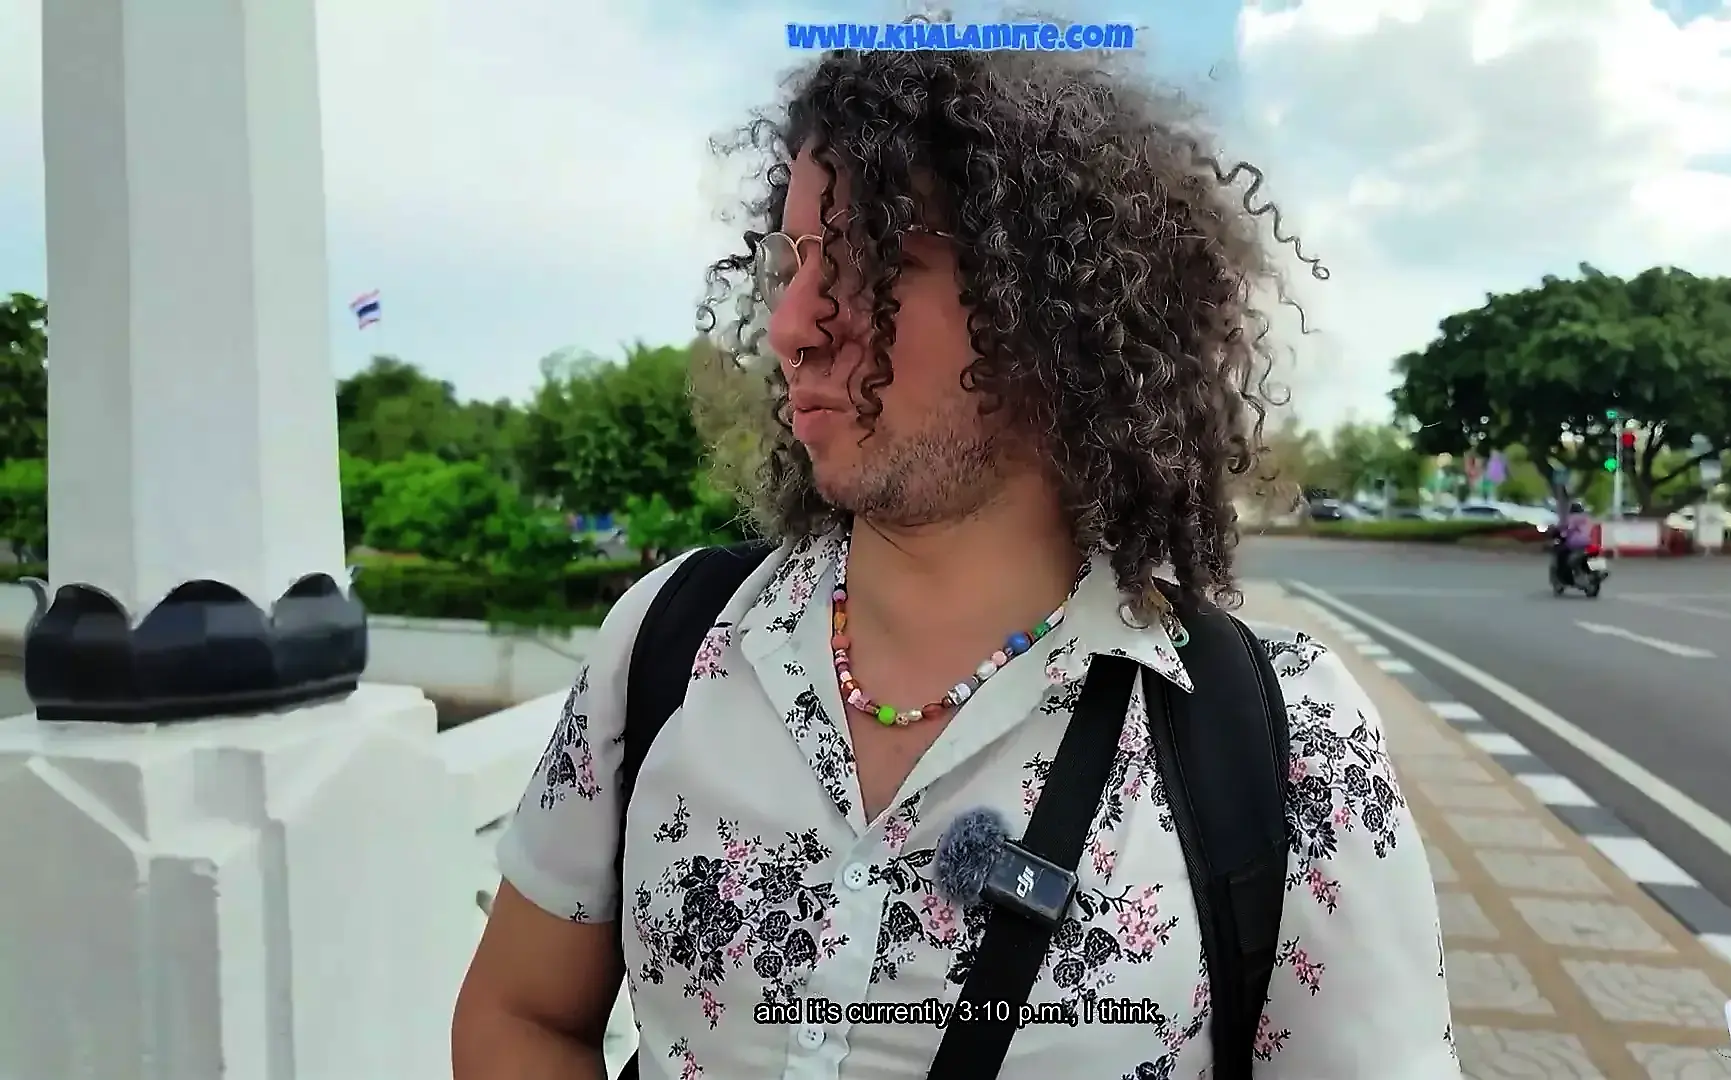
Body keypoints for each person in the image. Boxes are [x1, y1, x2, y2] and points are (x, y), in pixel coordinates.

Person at [452, 39, 1458, 1080]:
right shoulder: (670, 640)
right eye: (791, 266)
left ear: (1053, 306)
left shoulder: (1285, 744)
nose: (792, 327)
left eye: (870, 262)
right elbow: (521, 1014)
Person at [1553, 500, 1594, 582]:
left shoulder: (1570, 518)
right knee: (1582, 559)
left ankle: (1566, 578)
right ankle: (1588, 573)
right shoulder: (1586, 518)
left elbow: (1565, 530)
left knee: (1561, 555)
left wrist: (1560, 534)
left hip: (1574, 543)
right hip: (1587, 542)